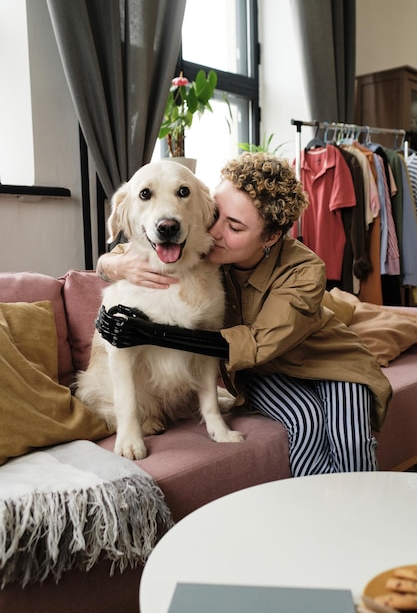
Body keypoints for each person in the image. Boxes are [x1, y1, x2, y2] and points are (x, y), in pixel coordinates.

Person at [96, 152, 392, 476]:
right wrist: (110, 264)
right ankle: (313, 513)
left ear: (270, 237)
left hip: (330, 365)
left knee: (351, 441)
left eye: (234, 226)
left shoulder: (305, 271)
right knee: (305, 421)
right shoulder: (201, 249)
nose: (216, 232)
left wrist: (149, 333)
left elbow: (257, 343)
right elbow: (142, 241)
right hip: (267, 373)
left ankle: (359, 513)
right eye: (217, 215)